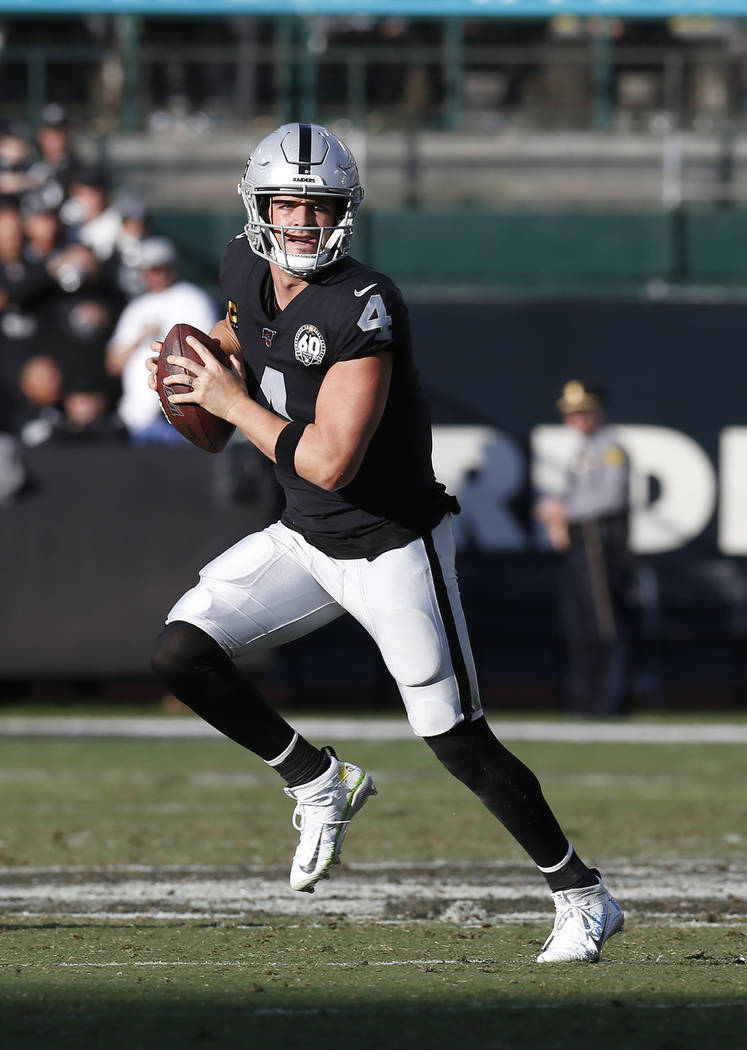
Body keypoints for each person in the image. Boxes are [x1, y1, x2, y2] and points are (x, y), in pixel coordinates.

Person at [147, 123, 623, 964]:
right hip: (305, 541)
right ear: (256, 207)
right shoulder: (240, 269)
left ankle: (581, 893)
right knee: (181, 653)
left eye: (318, 205)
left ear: (345, 211)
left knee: (454, 738)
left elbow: (330, 461)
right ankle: (316, 780)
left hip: (390, 544)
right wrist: (205, 364)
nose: (301, 221)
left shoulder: (363, 303)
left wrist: (227, 403)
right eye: (287, 203)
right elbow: (242, 339)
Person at [535, 380, 632, 717]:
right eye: (571, 414)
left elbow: (611, 498)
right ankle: (584, 700)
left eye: (583, 412)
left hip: (599, 547)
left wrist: (565, 511)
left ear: (597, 412)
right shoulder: (586, 450)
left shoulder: (610, 447)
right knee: (580, 625)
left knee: (603, 625)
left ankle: (608, 700)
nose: (576, 420)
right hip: (581, 547)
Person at [106, 236, 218, 444]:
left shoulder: (193, 299)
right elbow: (113, 364)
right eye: (147, 269)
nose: (153, 275)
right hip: (136, 419)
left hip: (183, 416)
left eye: (158, 268)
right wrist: (140, 337)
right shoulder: (136, 308)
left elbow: (206, 355)